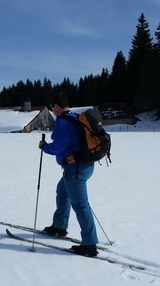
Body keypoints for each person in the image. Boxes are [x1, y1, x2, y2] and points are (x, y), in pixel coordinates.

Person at [38, 92, 99, 257]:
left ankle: (90, 244)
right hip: (82, 166)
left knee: (80, 205)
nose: (52, 111)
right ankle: (59, 226)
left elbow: (58, 146)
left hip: (75, 169)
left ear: (57, 106)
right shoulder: (74, 117)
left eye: (52, 108)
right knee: (62, 192)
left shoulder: (63, 122)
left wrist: (44, 146)